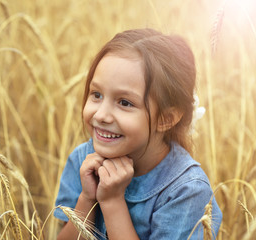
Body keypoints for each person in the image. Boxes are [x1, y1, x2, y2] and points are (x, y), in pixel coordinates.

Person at [54, 28, 222, 240]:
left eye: (124, 102)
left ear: (166, 119)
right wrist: (87, 198)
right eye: (96, 94)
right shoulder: (83, 160)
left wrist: (113, 201)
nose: (101, 114)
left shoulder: (187, 191)